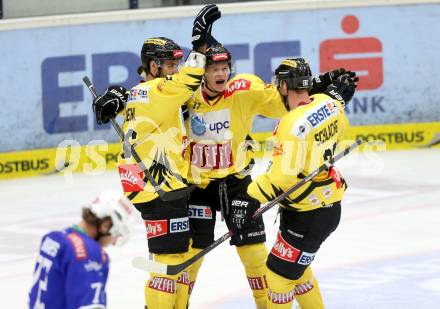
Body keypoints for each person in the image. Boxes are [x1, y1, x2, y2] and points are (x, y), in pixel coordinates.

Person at [91, 5, 221, 308]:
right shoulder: (160, 91)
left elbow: (133, 98)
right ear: (152, 66)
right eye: (167, 64)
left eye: (175, 63)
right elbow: (190, 79)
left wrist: (115, 96)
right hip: (157, 186)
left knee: (173, 259)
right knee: (168, 262)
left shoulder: (141, 91)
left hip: (152, 185)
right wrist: (200, 41)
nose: (173, 69)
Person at [230, 58, 358, 308]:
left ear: (284, 88)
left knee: (277, 279)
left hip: (310, 214)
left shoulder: (290, 124)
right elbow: (341, 129)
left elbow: (282, 177)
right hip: (317, 205)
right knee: (299, 274)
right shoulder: (328, 104)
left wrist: (248, 197)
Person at [28, 190, 134, 309]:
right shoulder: (88, 252)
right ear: (105, 225)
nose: (114, 242)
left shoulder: (54, 238)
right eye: (116, 235)